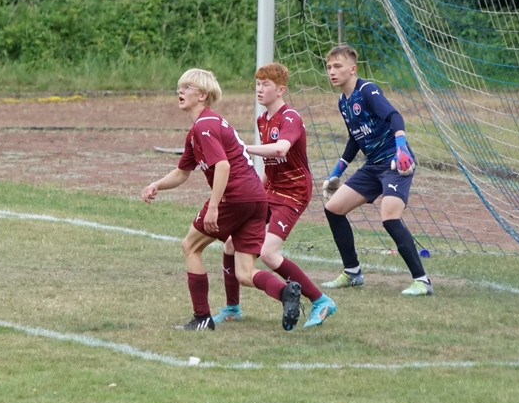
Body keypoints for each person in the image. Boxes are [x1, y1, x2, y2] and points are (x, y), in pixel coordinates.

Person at [141, 68, 303, 332]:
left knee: (190, 246)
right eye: (180, 87)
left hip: (235, 196)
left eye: (187, 87)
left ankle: (202, 317)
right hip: (255, 198)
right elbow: (182, 172)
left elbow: (223, 166)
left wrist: (214, 207)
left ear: (202, 95)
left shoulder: (204, 126)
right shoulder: (202, 127)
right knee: (245, 273)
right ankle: (286, 293)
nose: (180, 91)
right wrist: (156, 185)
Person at [213, 63, 337, 328]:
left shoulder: (290, 117)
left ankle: (321, 300)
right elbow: (271, 165)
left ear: (280, 90)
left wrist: (243, 148)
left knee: (268, 253)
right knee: (230, 244)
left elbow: (281, 150)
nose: (259, 89)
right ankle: (232, 308)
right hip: (270, 190)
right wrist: (255, 190)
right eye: (257, 84)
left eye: (266, 84)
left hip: (294, 192)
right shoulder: (263, 119)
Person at [320, 44, 432, 295]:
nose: (332, 72)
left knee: (389, 216)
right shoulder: (343, 101)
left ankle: (422, 281)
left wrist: (401, 148)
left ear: (353, 69)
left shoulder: (367, 90)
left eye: (337, 66)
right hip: (372, 166)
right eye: (328, 67)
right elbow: (355, 138)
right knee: (333, 209)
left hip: (395, 163)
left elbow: (394, 117)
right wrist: (336, 171)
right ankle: (352, 273)